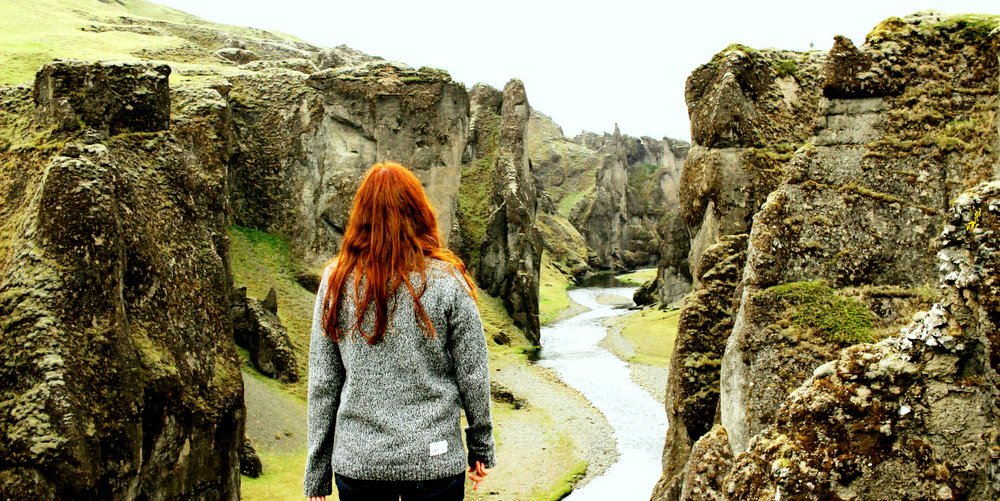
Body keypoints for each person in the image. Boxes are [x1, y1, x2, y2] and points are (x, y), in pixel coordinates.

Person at [303, 162, 496, 501]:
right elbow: (473, 376)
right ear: (418, 212)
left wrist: (317, 473)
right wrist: (481, 447)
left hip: (359, 465)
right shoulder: (447, 282)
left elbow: (323, 383)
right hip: (435, 462)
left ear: (360, 217)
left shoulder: (336, 282)